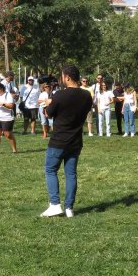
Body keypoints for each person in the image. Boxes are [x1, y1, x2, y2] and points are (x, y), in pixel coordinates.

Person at [40, 65, 94, 218]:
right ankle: (69, 208)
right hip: (76, 140)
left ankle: (55, 204)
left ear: (68, 77)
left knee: (50, 170)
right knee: (71, 174)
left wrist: (47, 104)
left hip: (59, 140)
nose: (62, 79)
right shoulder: (87, 95)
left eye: (63, 76)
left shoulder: (59, 95)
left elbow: (49, 114)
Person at [0, 82, 18, 155]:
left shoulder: (8, 95)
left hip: (7, 118)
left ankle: (14, 149)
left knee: (7, 135)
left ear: (1, 88)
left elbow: (11, 106)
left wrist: (3, 104)